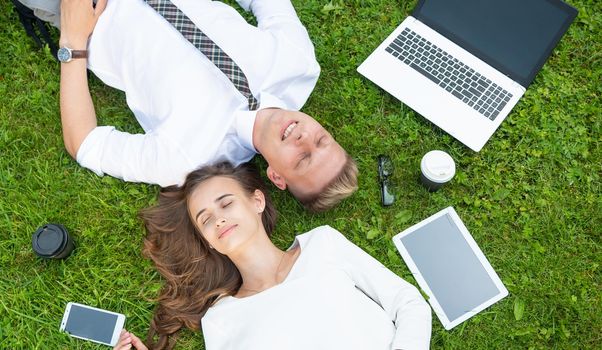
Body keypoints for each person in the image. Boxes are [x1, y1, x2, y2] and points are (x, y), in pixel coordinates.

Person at [58, 0, 358, 212]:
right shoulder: (298, 64)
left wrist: (72, 40)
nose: (304, 139)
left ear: (276, 177)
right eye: (321, 140)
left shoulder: (187, 159)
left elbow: (85, 144)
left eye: (302, 159)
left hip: (90, 13)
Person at [113, 162, 432, 350]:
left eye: (226, 203)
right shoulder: (220, 320)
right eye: (206, 219)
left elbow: (408, 304)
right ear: (208, 242)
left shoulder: (322, 245)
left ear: (257, 202)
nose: (219, 219)